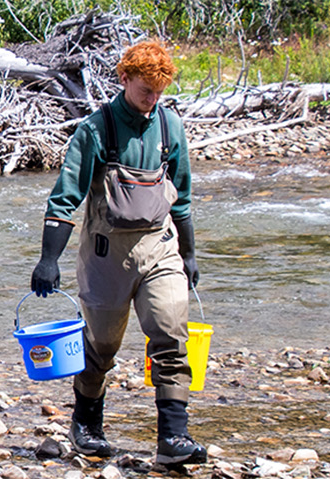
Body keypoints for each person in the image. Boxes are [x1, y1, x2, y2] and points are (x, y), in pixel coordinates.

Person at [28, 39, 205, 465]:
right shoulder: (96, 129)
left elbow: (180, 199)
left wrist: (190, 253)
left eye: (159, 92)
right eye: (146, 90)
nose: (152, 100)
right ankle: (86, 424)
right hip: (106, 256)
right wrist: (49, 258)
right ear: (124, 78)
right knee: (102, 346)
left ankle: (173, 439)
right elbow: (65, 198)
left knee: (170, 333)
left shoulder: (169, 127)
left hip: (160, 249)